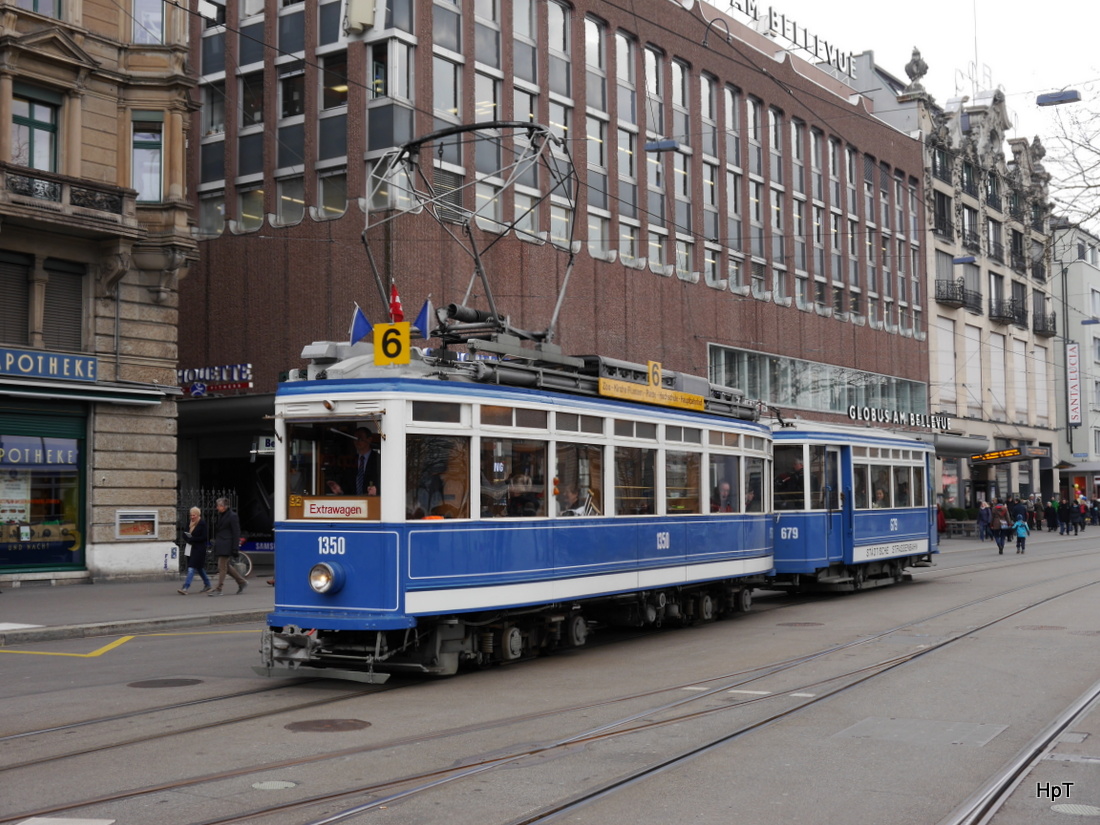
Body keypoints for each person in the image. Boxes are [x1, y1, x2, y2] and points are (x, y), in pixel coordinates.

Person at [208, 497, 247, 595]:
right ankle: (242, 582)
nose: (217, 508)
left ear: (224, 506)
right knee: (227, 567)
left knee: (222, 567)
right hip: (221, 544)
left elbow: (236, 532)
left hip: (227, 545)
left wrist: (235, 548)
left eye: (218, 506)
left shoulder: (232, 516)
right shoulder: (221, 515)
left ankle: (219, 588)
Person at [327, 425, 381, 496]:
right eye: (354, 438)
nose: (357, 441)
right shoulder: (350, 460)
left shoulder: (379, 459)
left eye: (360, 438)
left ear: (369, 439)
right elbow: (348, 484)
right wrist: (340, 491)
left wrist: (378, 491)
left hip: (374, 501)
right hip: (353, 504)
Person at [177, 506, 212, 595]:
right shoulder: (189, 523)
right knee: (199, 568)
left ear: (198, 515)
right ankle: (208, 584)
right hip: (190, 548)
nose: (192, 517)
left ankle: (185, 587)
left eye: (194, 515)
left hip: (199, 549)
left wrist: (193, 539)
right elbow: (185, 533)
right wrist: (188, 539)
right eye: (191, 515)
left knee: (191, 568)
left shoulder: (202, 524)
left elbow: (204, 537)